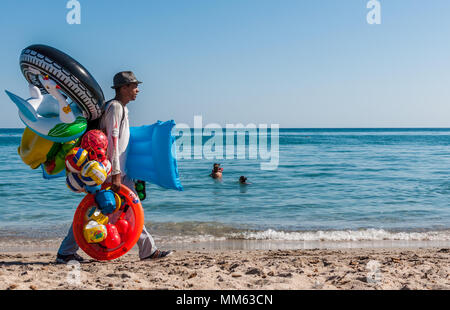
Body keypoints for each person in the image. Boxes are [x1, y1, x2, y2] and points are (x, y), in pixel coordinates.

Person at [56, 71, 172, 264]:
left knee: (126, 209)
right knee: (104, 209)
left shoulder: (119, 108)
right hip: (109, 171)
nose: (137, 90)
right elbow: (113, 140)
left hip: (117, 171)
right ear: (123, 88)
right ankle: (66, 252)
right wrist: (116, 173)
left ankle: (147, 250)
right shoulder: (115, 107)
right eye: (134, 86)